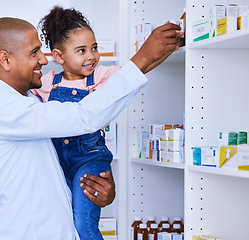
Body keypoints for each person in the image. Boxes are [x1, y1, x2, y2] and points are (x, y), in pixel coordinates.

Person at [0, 15, 181, 240]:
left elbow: (47, 173)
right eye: (34, 52)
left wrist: (95, 190)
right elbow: (82, 116)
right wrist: (143, 57)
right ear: (5, 59)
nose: (43, 59)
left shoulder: (30, 99)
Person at [33, 6, 180, 239]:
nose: (91, 56)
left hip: (90, 159)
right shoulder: (47, 83)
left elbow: (137, 71)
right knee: (61, 224)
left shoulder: (100, 77)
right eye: (81, 50)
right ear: (59, 56)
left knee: (83, 225)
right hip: (57, 162)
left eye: (94, 48)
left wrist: (167, 48)